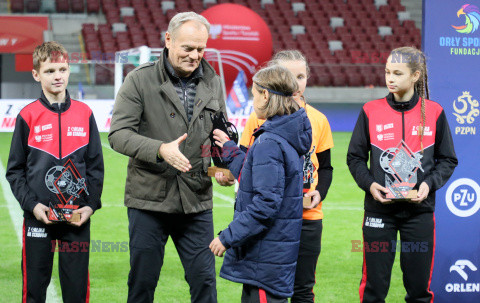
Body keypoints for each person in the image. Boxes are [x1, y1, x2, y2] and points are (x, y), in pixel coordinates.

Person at [108, 12, 231, 303]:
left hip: (197, 201)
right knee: (142, 284)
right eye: (188, 48)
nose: (195, 55)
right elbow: (118, 134)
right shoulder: (138, 80)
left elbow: (220, 134)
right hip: (148, 200)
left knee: (205, 284)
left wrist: (224, 167)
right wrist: (160, 149)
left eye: (200, 49)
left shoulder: (213, 82)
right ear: (168, 40)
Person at [347, 46, 458, 302]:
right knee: (373, 289)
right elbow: (354, 158)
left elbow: (448, 160)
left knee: (419, 291)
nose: (390, 78)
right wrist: (370, 185)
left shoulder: (435, 112)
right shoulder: (370, 111)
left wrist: (428, 185)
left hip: (419, 214)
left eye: (398, 73)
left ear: (416, 76)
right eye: (387, 72)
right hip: (378, 213)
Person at [6, 41, 104, 302]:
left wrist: (90, 206)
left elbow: (95, 168)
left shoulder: (85, 114)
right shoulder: (27, 116)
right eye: (50, 71)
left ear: (69, 70)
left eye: (62, 69)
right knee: (34, 289)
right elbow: (14, 171)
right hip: (38, 218)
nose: (57, 76)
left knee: (76, 289)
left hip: (77, 218)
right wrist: (32, 206)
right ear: (36, 74)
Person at [209, 65, 313, 302]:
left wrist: (227, 237)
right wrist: (230, 149)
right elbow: (255, 176)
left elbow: (266, 203)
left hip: (264, 263)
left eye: (254, 93)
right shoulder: (285, 134)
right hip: (271, 260)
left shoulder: (270, 141)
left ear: (265, 95)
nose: (252, 99)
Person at [239, 50, 334, 302]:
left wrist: (319, 193)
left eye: (301, 76)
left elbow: (325, 167)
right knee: (265, 287)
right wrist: (226, 173)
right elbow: (243, 164)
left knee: (303, 289)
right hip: (273, 220)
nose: (296, 82)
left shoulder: (319, 120)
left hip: (308, 218)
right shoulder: (256, 120)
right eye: (288, 76)